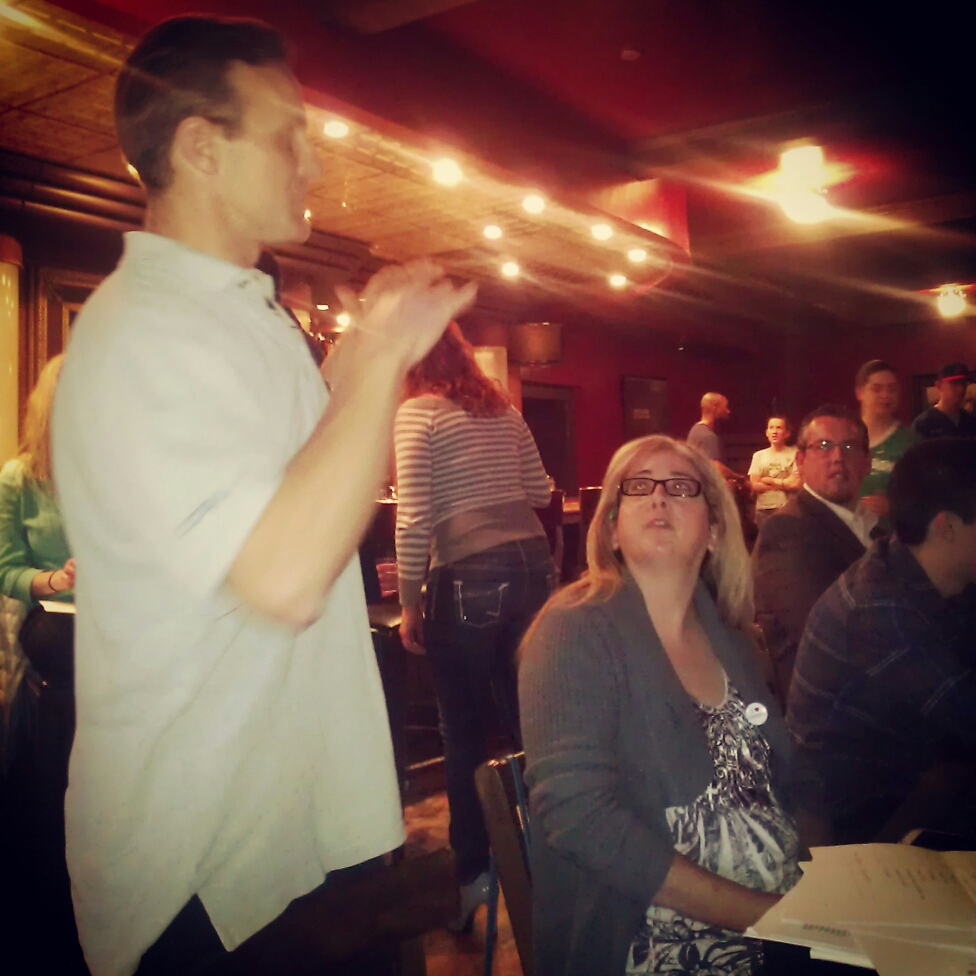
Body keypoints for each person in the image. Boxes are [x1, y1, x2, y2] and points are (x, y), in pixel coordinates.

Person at [51, 16, 475, 976]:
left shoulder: (247, 316)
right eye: (289, 135)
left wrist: (356, 366)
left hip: (294, 847)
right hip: (209, 878)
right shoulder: (144, 330)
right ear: (202, 147)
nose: (314, 163)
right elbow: (283, 577)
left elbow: (296, 496)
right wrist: (377, 357)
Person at [519, 435, 801, 976]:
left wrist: (828, 890)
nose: (658, 497)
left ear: (714, 530)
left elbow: (789, 779)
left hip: (786, 918)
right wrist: (769, 916)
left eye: (680, 486)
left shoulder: (733, 638)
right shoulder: (574, 630)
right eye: (639, 486)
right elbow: (580, 819)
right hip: (652, 940)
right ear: (611, 529)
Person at [394, 322, 556, 930]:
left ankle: (473, 879)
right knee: (530, 721)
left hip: (466, 573)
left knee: (464, 735)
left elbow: (414, 519)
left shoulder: (418, 412)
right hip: (533, 565)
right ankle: (551, 862)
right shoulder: (503, 410)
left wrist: (410, 603)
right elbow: (541, 492)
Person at [788, 439, 976, 844]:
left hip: (920, 781)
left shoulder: (914, 565)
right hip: (860, 827)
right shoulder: (880, 612)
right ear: (946, 527)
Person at [752, 405, 876, 707]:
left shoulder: (872, 525)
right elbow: (830, 639)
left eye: (849, 446)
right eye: (823, 446)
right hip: (835, 709)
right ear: (800, 462)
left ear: (868, 463)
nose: (837, 457)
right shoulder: (787, 531)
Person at [0, 355, 75, 686]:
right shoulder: (19, 479)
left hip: (119, 610)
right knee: (58, 642)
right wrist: (61, 579)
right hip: (55, 613)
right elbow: (7, 572)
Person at [855, 359, 915, 524]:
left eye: (892, 389)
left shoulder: (911, 443)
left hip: (891, 535)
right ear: (860, 393)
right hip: (844, 534)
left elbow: (929, 498)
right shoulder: (844, 436)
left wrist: (895, 507)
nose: (885, 395)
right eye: (876, 389)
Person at [748, 415, 799, 532]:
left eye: (779, 428)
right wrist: (785, 483)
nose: (774, 432)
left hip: (788, 508)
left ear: (787, 433)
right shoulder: (758, 456)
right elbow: (755, 485)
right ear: (767, 433)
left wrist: (770, 481)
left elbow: (795, 484)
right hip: (764, 509)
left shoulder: (795, 454)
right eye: (771, 428)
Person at [687, 392, 745, 487]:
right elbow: (717, 468)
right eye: (725, 407)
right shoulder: (708, 436)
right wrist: (739, 478)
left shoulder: (695, 430)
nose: (728, 411)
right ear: (715, 408)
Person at [912, 362, 976, 439]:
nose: (961, 389)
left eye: (964, 384)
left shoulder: (970, 421)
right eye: (954, 383)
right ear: (938, 386)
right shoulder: (923, 424)